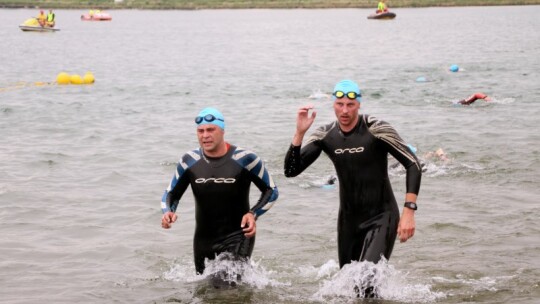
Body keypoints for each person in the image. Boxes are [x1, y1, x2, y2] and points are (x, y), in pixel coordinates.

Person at [284, 80, 422, 297]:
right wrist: (299, 133)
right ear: (333, 105)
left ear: (358, 105)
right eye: (339, 104)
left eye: (350, 105)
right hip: (349, 221)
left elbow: (412, 163)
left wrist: (409, 211)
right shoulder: (325, 134)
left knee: (366, 283)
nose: (345, 110)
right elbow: (291, 170)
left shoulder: (376, 128)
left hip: (381, 216)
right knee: (351, 288)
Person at [160, 107, 279, 276]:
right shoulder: (189, 161)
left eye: (210, 129)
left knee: (222, 285)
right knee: (204, 293)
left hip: (238, 236)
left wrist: (253, 214)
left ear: (222, 131)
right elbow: (171, 193)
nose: (205, 135)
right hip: (203, 241)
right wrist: (168, 212)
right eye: (200, 131)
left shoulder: (246, 159)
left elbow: (271, 190)